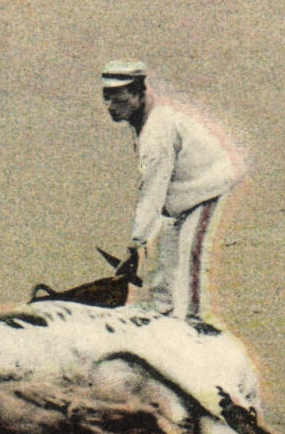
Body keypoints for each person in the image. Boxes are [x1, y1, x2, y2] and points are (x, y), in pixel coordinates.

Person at [102, 60, 244, 321]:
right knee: (167, 245)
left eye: (118, 99)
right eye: (107, 98)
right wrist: (141, 241)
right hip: (180, 188)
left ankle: (195, 317)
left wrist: (136, 242)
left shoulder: (158, 130)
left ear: (138, 94)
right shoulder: (144, 118)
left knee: (190, 248)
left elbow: (152, 190)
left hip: (206, 183)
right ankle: (162, 304)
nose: (110, 107)